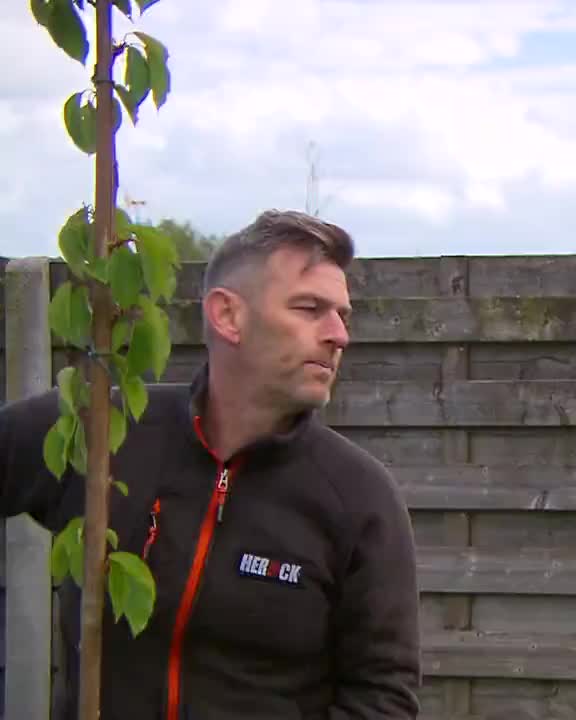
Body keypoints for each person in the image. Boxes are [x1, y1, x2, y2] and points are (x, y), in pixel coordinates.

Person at [0, 210, 421, 719]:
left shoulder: (358, 498)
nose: (339, 336)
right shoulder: (104, 431)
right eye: (310, 308)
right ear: (228, 316)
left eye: (343, 316)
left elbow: (383, 698)